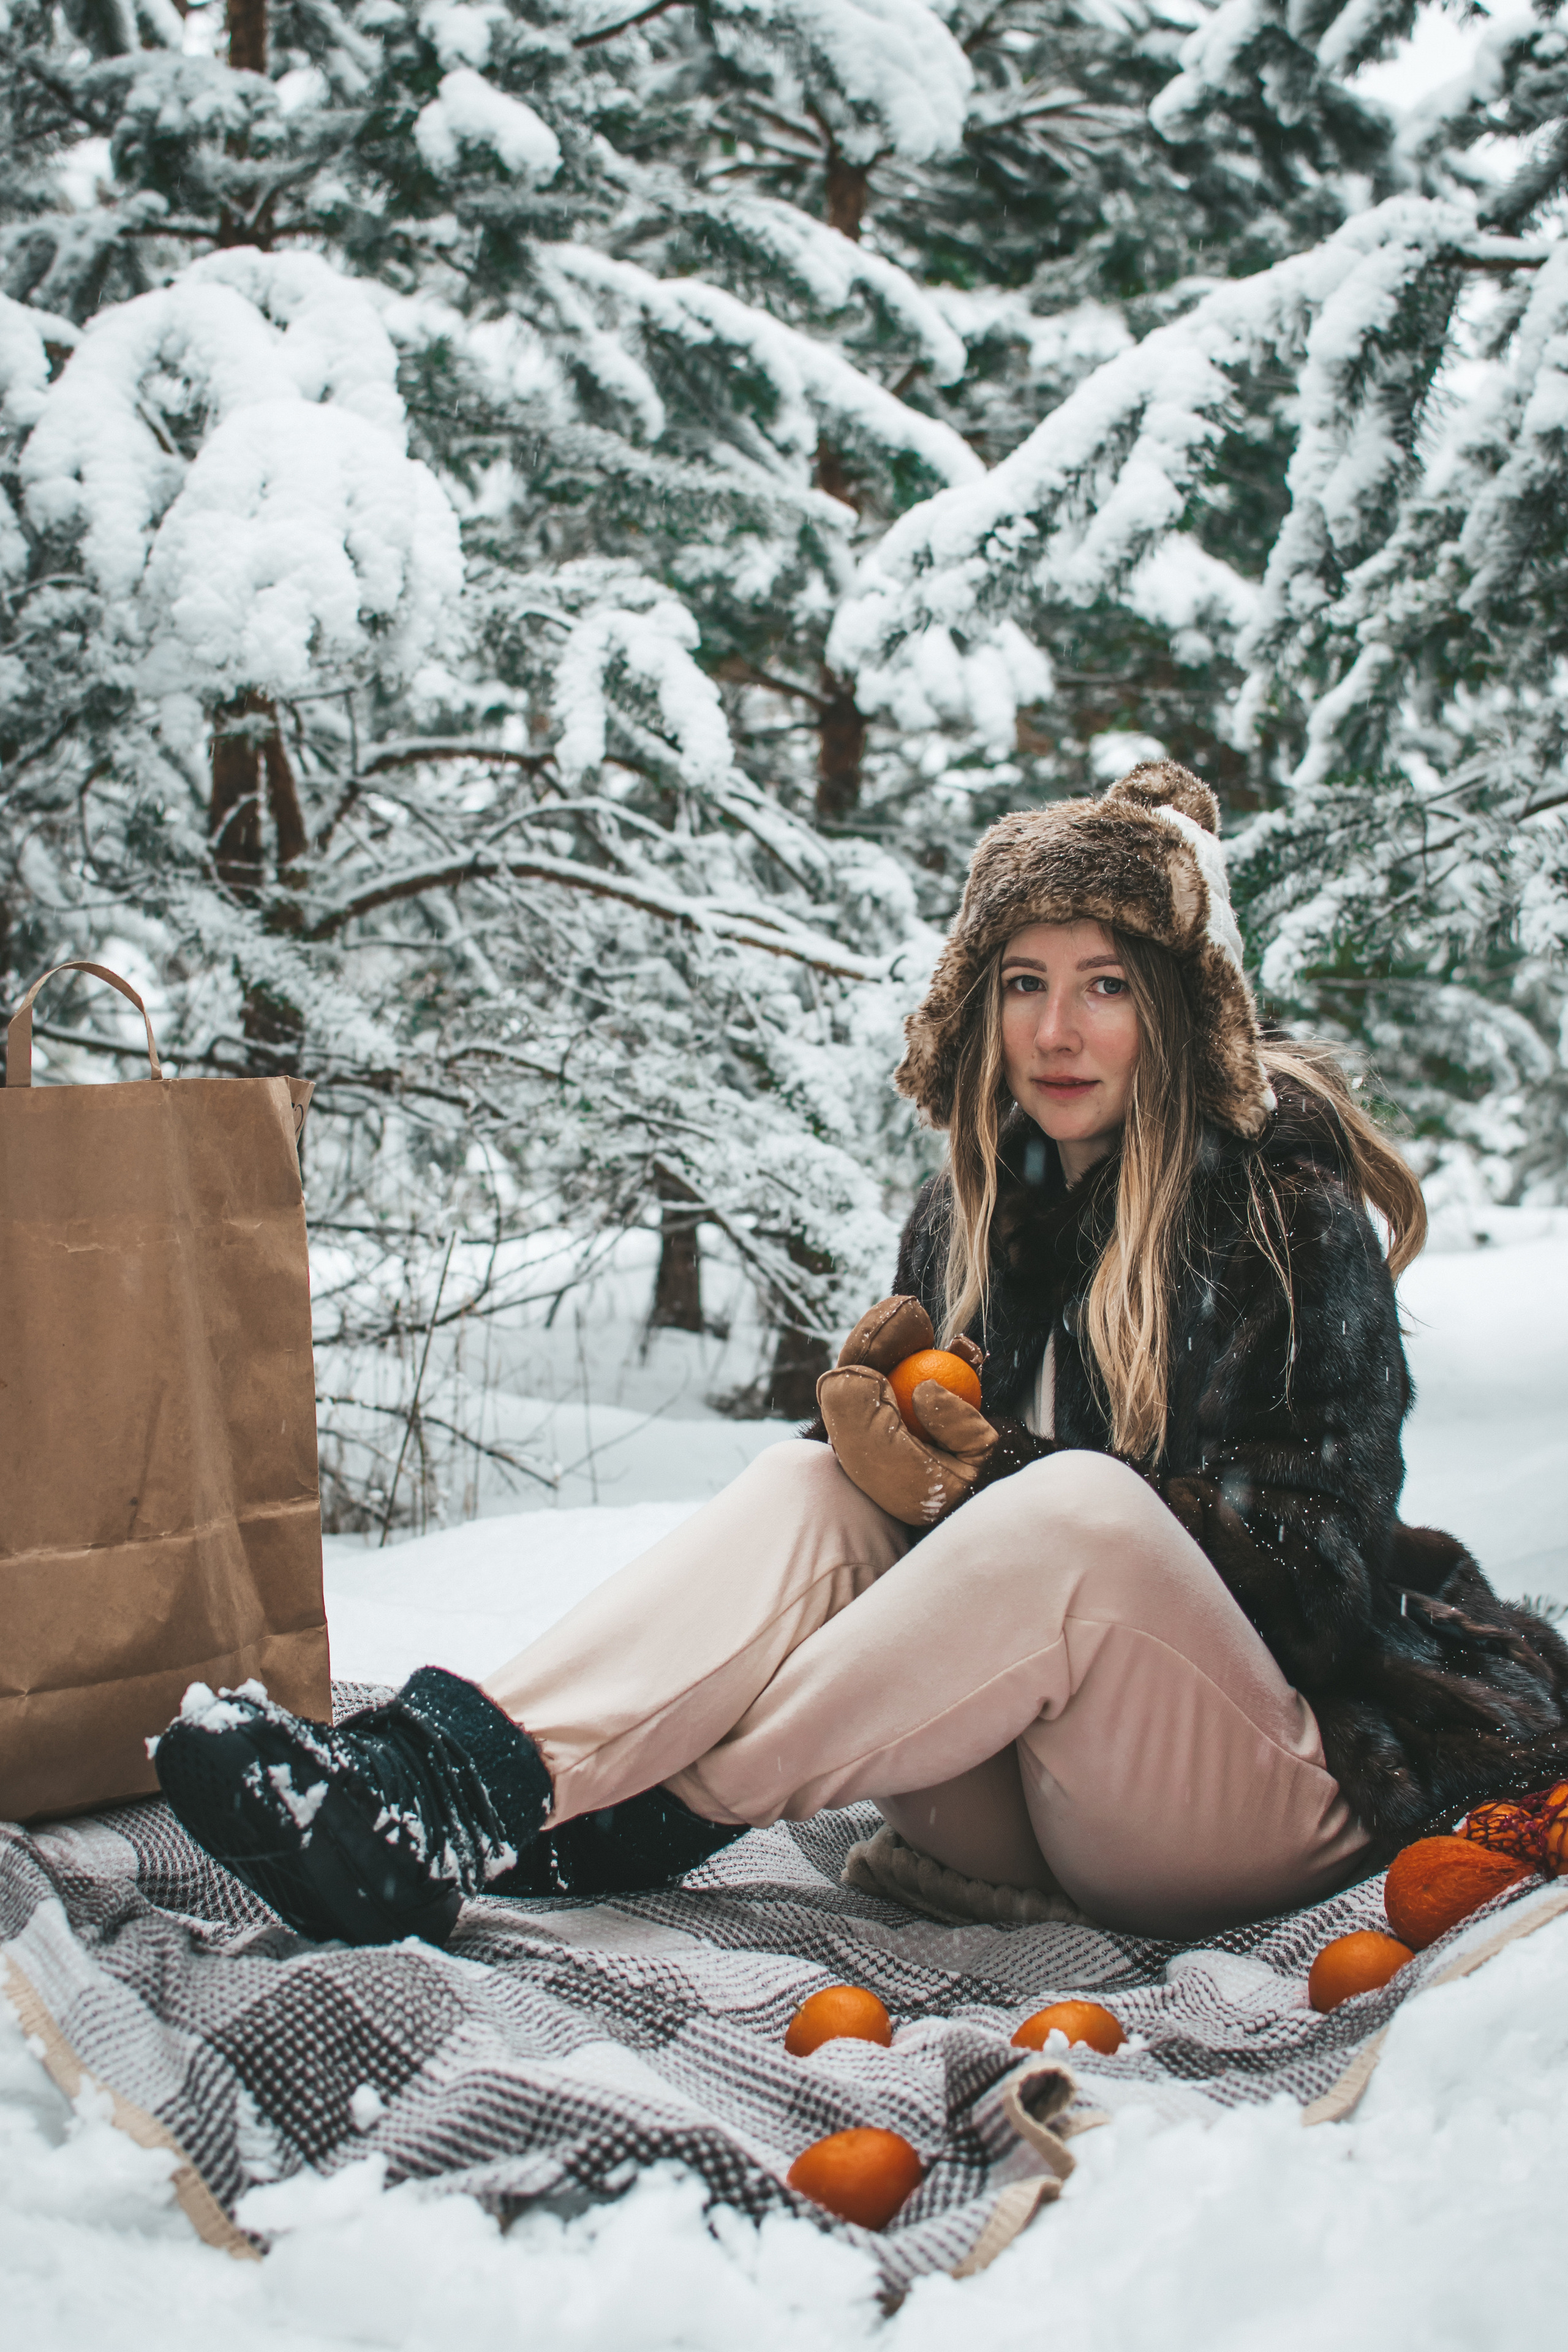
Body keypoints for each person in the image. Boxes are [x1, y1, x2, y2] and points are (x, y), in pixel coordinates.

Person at [156, 764, 1568, 1949]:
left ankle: (618, 1811)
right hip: (1027, 1793)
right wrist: (883, 1454)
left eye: (1104, 987)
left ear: (1176, 1012)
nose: (1055, 1031)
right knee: (807, 1489)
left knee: (1076, 1513)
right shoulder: (964, 1219)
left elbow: (1318, 1582)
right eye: (1022, 982)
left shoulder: (1275, 1203)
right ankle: (451, 1789)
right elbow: (921, 1546)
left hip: (1248, 1791)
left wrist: (992, 1479)